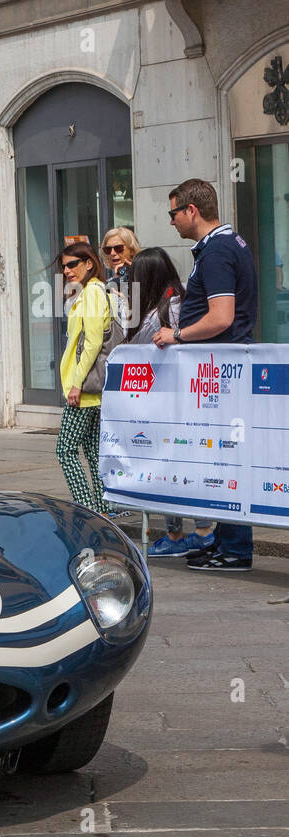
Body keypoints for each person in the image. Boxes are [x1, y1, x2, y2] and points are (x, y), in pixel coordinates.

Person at [151, 178, 258, 571]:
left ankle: (234, 550)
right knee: (220, 462)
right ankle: (227, 542)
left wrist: (176, 335)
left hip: (222, 373)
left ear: (191, 211)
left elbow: (221, 317)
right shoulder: (228, 245)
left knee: (225, 462)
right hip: (221, 371)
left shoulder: (216, 253)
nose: (173, 222)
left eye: (173, 213)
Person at [122, 248, 216, 557]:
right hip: (167, 400)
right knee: (169, 465)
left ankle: (200, 531)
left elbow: (136, 345)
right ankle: (176, 533)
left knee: (180, 462)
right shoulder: (170, 304)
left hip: (172, 400)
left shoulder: (169, 309)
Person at [52, 240, 115, 518]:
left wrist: (76, 383)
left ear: (89, 263)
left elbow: (92, 342)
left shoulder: (92, 292)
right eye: (64, 266)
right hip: (91, 389)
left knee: (65, 450)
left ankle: (86, 509)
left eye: (72, 264)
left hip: (85, 389)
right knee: (92, 452)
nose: (67, 270)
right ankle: (102, 509)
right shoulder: (91, 291)